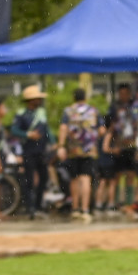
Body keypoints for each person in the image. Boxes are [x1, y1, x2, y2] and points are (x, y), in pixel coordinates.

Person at [60, 86, 101, 222]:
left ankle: (75, 208)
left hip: (73, 150)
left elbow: (64, 128)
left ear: (74, 97)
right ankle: (85, 209)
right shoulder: (93, 111)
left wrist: (61, 145)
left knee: (74, 179)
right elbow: (101, 130)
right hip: (89, 150)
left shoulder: (68, 111)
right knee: (86, 179)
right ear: (85, 97)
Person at [12, 84, 53, 218]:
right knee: (29, 180)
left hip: (41, 151)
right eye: (37, 98)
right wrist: (28, 135)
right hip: (28, 151)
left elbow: (47, 130)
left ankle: (38, 206)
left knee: (44, 178)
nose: (39, 100)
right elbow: (14, 130)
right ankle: (30, 208)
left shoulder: (41, 113)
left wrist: (53, 142)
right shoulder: (21, 114)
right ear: (31, 100)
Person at [105, 82, 138, 214]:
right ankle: (115, 203)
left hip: (132, 146)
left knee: (131, 175)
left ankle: (129, 202)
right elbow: (109, 124)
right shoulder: (114, 107)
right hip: (119, 146)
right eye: (122, 93)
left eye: (126, 93)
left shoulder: (135, 106)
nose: (124, 96)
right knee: (117, 175)